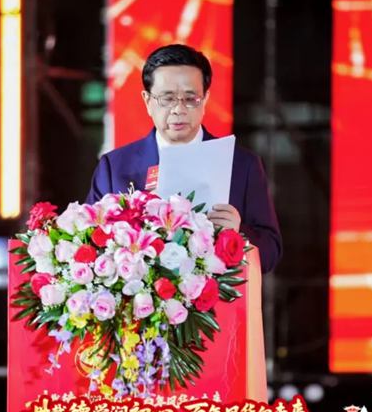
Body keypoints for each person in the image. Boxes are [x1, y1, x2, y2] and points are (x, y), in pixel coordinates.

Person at [86, 44, 282, 273]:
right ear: (147, 101)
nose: (179, 109)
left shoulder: (241, 165)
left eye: (190, 98)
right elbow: (90, 243)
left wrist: (238, 233)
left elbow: (271, 252)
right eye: (167, 99)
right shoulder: (115, 167)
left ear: (205, 99)